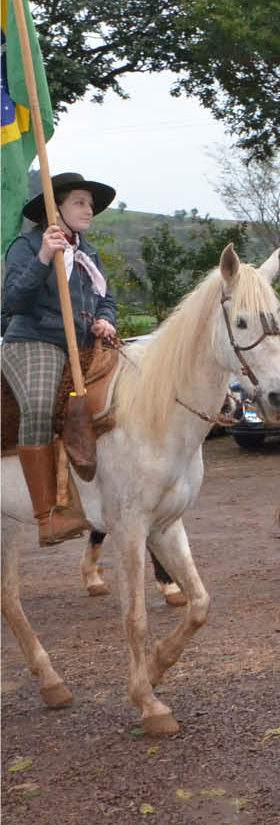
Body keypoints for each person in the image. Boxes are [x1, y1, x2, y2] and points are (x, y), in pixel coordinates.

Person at [2, 170, 118, 545]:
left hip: (82, 344)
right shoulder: (25, 245)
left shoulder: (89, 252)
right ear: (56, 209)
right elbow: (14, 303)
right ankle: (47, 515)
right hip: (34, 340)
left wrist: (105, 319)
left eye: (90, 204)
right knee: (37, 405)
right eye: (79, 203)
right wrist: (42, 257)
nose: (89, 210)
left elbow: (107, 298)